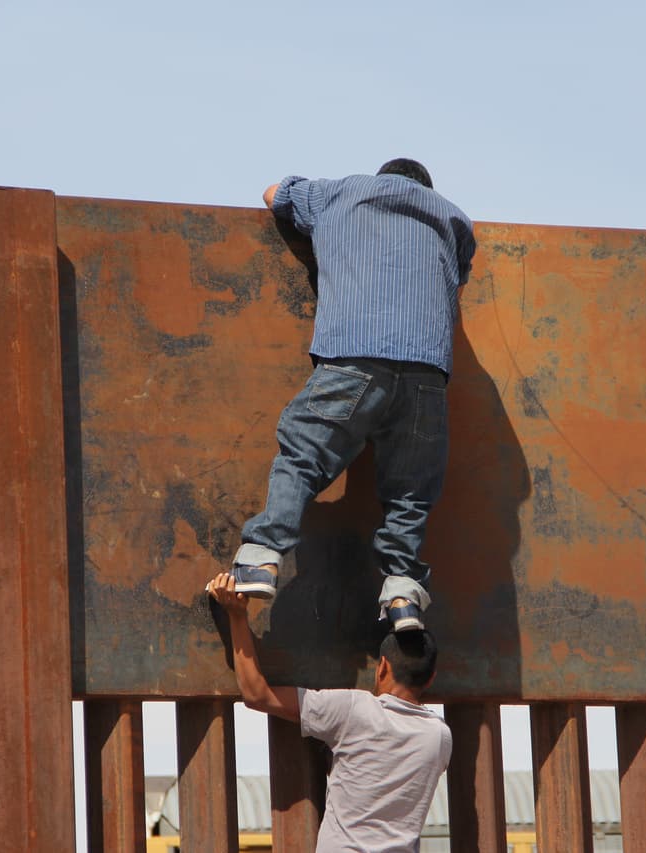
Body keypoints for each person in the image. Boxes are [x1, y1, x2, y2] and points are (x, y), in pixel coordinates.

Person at [232, 158, 477, 632]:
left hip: (354, 355)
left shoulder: (340, 191)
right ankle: (403, 595)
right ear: (425, 186)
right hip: (427, 372)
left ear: (383, 175)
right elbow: (457, 285)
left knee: (303, 455)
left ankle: (262, 557)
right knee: (410, 494)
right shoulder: (453, 217)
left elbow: (272, 193)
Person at [206, 571, 452, 852]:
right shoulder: (440, 737)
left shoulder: (354, 710)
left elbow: (257, 694)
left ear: (382, 667)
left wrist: (236, 616)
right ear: (431, 678)